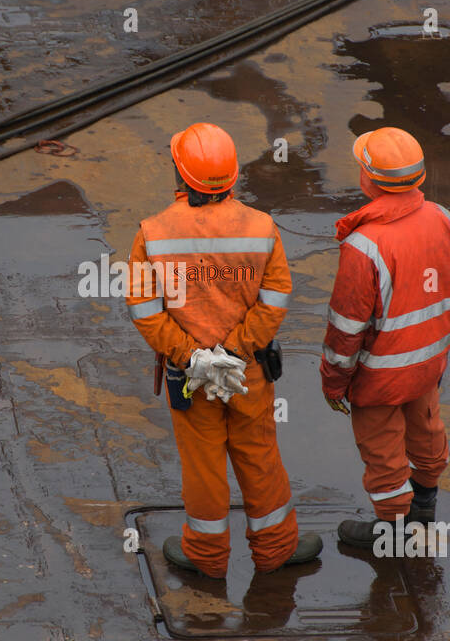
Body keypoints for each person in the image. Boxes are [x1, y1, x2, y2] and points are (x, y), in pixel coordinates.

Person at [126, 122, 322, 578]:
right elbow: (275, 297)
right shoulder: (260, 228)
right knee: (259, 454)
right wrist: (234, 352)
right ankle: (275, 549)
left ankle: (207, 556)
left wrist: (193, 357)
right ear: (233, 176)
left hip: (189, 378)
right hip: (247, 372)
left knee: (203, 463)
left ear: (179, 172)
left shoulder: (153, 234)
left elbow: (144, 308)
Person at [320, 127, 450, 548]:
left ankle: (394, 532)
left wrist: (333, 382)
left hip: (380, 378)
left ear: (368, 179)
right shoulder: (445, 221)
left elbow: (346, 330)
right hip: (428, 366)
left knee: (383, 453)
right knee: (426, 432)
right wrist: (435, 352)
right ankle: (425, 507)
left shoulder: (364, 246)